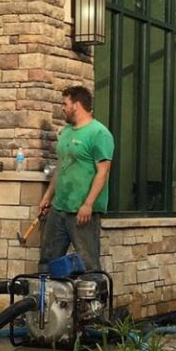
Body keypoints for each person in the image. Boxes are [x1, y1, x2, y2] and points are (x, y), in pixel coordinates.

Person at [37, 84, 114, 272]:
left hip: (83, 212)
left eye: (65, 103)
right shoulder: (66, 133)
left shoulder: (99, 134)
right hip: (59, 208)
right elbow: (61, 168)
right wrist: (48, 197)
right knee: (47, 261)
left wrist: (88, 204)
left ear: (76, 105)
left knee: (88, 264)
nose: (62, 108)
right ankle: (46, 299)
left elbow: (103, 172)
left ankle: (94, 301)